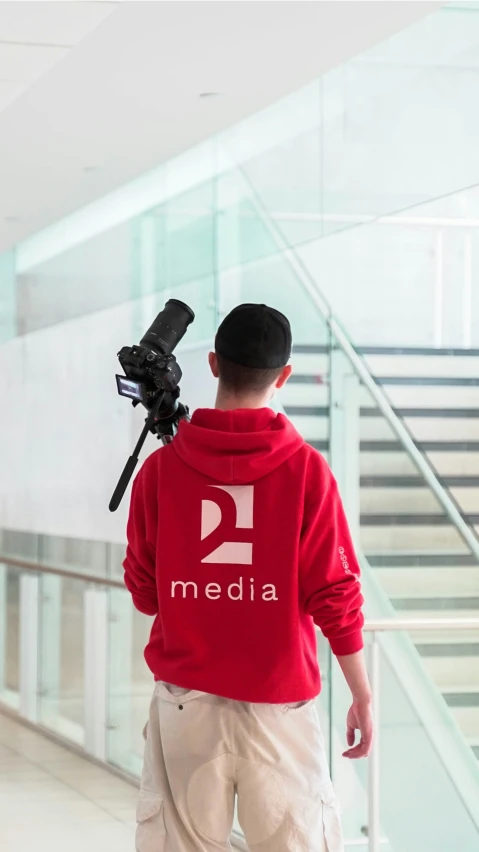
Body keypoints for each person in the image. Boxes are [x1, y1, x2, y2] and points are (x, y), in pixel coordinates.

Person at [124, 303, 373, 852]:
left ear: (213, 364)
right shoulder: (308, 471)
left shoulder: (161, 472)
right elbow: (335, 593)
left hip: (184, 704)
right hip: (279, 708)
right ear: (282, 377)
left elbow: (145, 594)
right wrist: (362, 693)